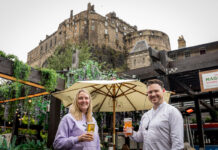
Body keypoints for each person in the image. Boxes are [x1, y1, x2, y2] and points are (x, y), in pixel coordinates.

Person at [124, 79, 184, 150]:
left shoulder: (172, 112)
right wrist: (131, 133)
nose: (153, 94)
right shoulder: (145, 115)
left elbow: (178, 143)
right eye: (150, 92)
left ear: (163, 91)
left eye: (156, 91)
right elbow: (140, 137)